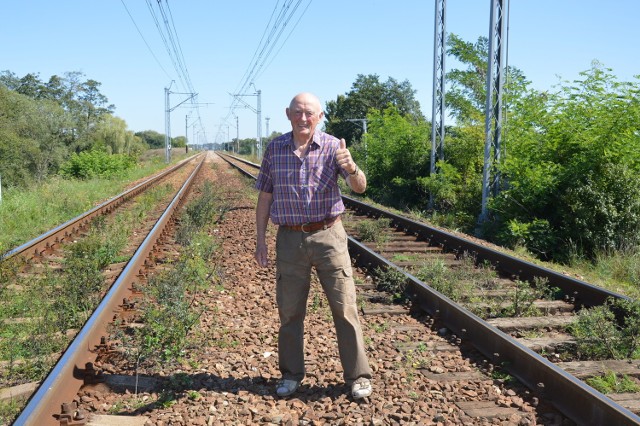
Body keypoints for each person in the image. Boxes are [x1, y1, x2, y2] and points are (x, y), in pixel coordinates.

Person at [254, 92, 373, 399]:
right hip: (289, 239)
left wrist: (352, 168)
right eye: (298, 112)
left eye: (310, 113)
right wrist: (260, 240)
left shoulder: (335, 147)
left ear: (320, 116)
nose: (303, 118)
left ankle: (358, 376)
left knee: (344, 308)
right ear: (287, 113)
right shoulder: (275, 149)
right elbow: (265, 195)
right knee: (290, 312)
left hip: (329, 236)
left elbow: (360, 188)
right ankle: (291, 375)